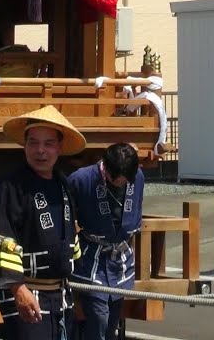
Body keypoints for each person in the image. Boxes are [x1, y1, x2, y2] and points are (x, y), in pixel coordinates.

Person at [0, 105, 86, 340]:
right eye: (33, 142)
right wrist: (17, 288)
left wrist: (78, 286)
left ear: (59, 147)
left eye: (48, 143)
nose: (40, 150)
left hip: (61, 294)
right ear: (24, 145)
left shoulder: (63, 185)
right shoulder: (9, 187)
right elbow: (1, 240)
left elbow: (71, 237)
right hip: (25, 291)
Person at [68, 143, 145, 340]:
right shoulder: (82, 179)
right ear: (105, 167)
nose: (120, 182)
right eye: (115, 179)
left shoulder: (137, 178)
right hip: (92, 254)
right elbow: (66, 215)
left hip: (119, 257)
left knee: (112, 319)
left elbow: (137, 209)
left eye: (125, 179)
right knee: (98, 315)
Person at [120, 76, 168, 160]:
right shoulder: (148, 95)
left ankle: (160, 143)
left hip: (144, 121)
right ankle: (159, 143)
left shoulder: (149, 95)